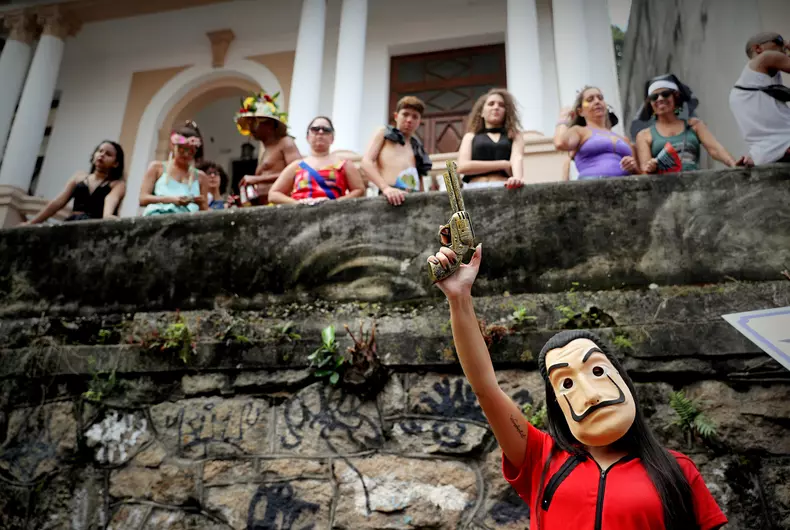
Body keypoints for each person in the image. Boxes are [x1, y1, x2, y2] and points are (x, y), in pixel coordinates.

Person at [426, 242, 727, 530]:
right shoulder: (540, 458)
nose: (591, 394)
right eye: (567, 382)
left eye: (597, 370)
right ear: (556, 401)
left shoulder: (677, 469)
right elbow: (485, 386)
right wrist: (459, 297)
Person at [634, 75, 747, 173]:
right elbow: (644, 171)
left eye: (665, 94)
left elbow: (715, 149)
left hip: (695, 184)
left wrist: (734, 165)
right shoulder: (644, 135)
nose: (660, 99)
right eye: (654, 97)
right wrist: (651, 167)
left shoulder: (694, 125)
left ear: (675, 97)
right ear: (650, 104)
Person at [268, 117, 365, 205]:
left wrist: (335, 204)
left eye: (326, 130)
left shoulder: (344, 164)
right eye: (315, 129)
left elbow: (359, 190)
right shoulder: (297, 166)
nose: (320, 132)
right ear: (307, 137)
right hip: (299, 217)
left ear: (332, 138)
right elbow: (273, 194)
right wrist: (298, 204)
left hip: (333, 215)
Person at [26, 141, 126, 224]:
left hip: (95, 226)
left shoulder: (117, 184)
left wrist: (107, 216)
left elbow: (111, 199)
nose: (102, 155)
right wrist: (31, 223)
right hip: (72, 223)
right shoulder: (79, 177)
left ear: (116, 163)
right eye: (100, 151)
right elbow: (58, 202)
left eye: (108, 154)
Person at [361, 96, 435, 206]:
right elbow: (366, 162)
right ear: (396, 116)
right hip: (390, 196)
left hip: (414, 198)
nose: (409, 120)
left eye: (415, 117)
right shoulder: (384, 133)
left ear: (419, 122)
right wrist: (385, 188)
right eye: (405, 114)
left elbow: (419, 175)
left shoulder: (416, 145)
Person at [730, 32, 790, 165]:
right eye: (778, 42)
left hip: (763, 155)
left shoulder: (743, 87)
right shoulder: (765, 58)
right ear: (758, 49)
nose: (783, 47)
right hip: (784, 143)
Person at [554, 86, 640, 179]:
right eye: (590, 100)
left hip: (625, 186)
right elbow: (560, 143)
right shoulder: (580, 131)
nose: (597, 101)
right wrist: (563, 118)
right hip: (594, 186)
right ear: (580, 111)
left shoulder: (624, 139)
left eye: (600, 98)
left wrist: (633, 167)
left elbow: (640, 175)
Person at [235, 90, 301, 202]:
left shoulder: (285, 142)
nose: (251, 128)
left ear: (269, 124)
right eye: (249, 124)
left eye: (254, 123)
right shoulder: (266, 150)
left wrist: (257, 179)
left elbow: (298, 170)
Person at [457, 88, 526, 189]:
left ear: (506, 112)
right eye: (491, 104)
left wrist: (517, 178)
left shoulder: (515, 135)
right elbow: (462, 166)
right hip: (473, 189)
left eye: (501, 105)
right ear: (482, 112)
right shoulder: (470, 136)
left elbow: (517, 158)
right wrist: (503, 164)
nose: (496, 107)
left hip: (503, 188)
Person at [139, 121, 208, 216]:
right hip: (157, 218)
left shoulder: (201, 177)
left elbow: (205, 211)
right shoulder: (157, 167)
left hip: (187, 224)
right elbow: (142, 198)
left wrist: (200, 203)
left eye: (190, 151)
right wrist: (173, 200)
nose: (186, 154)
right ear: (173, 146)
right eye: (181, 149)